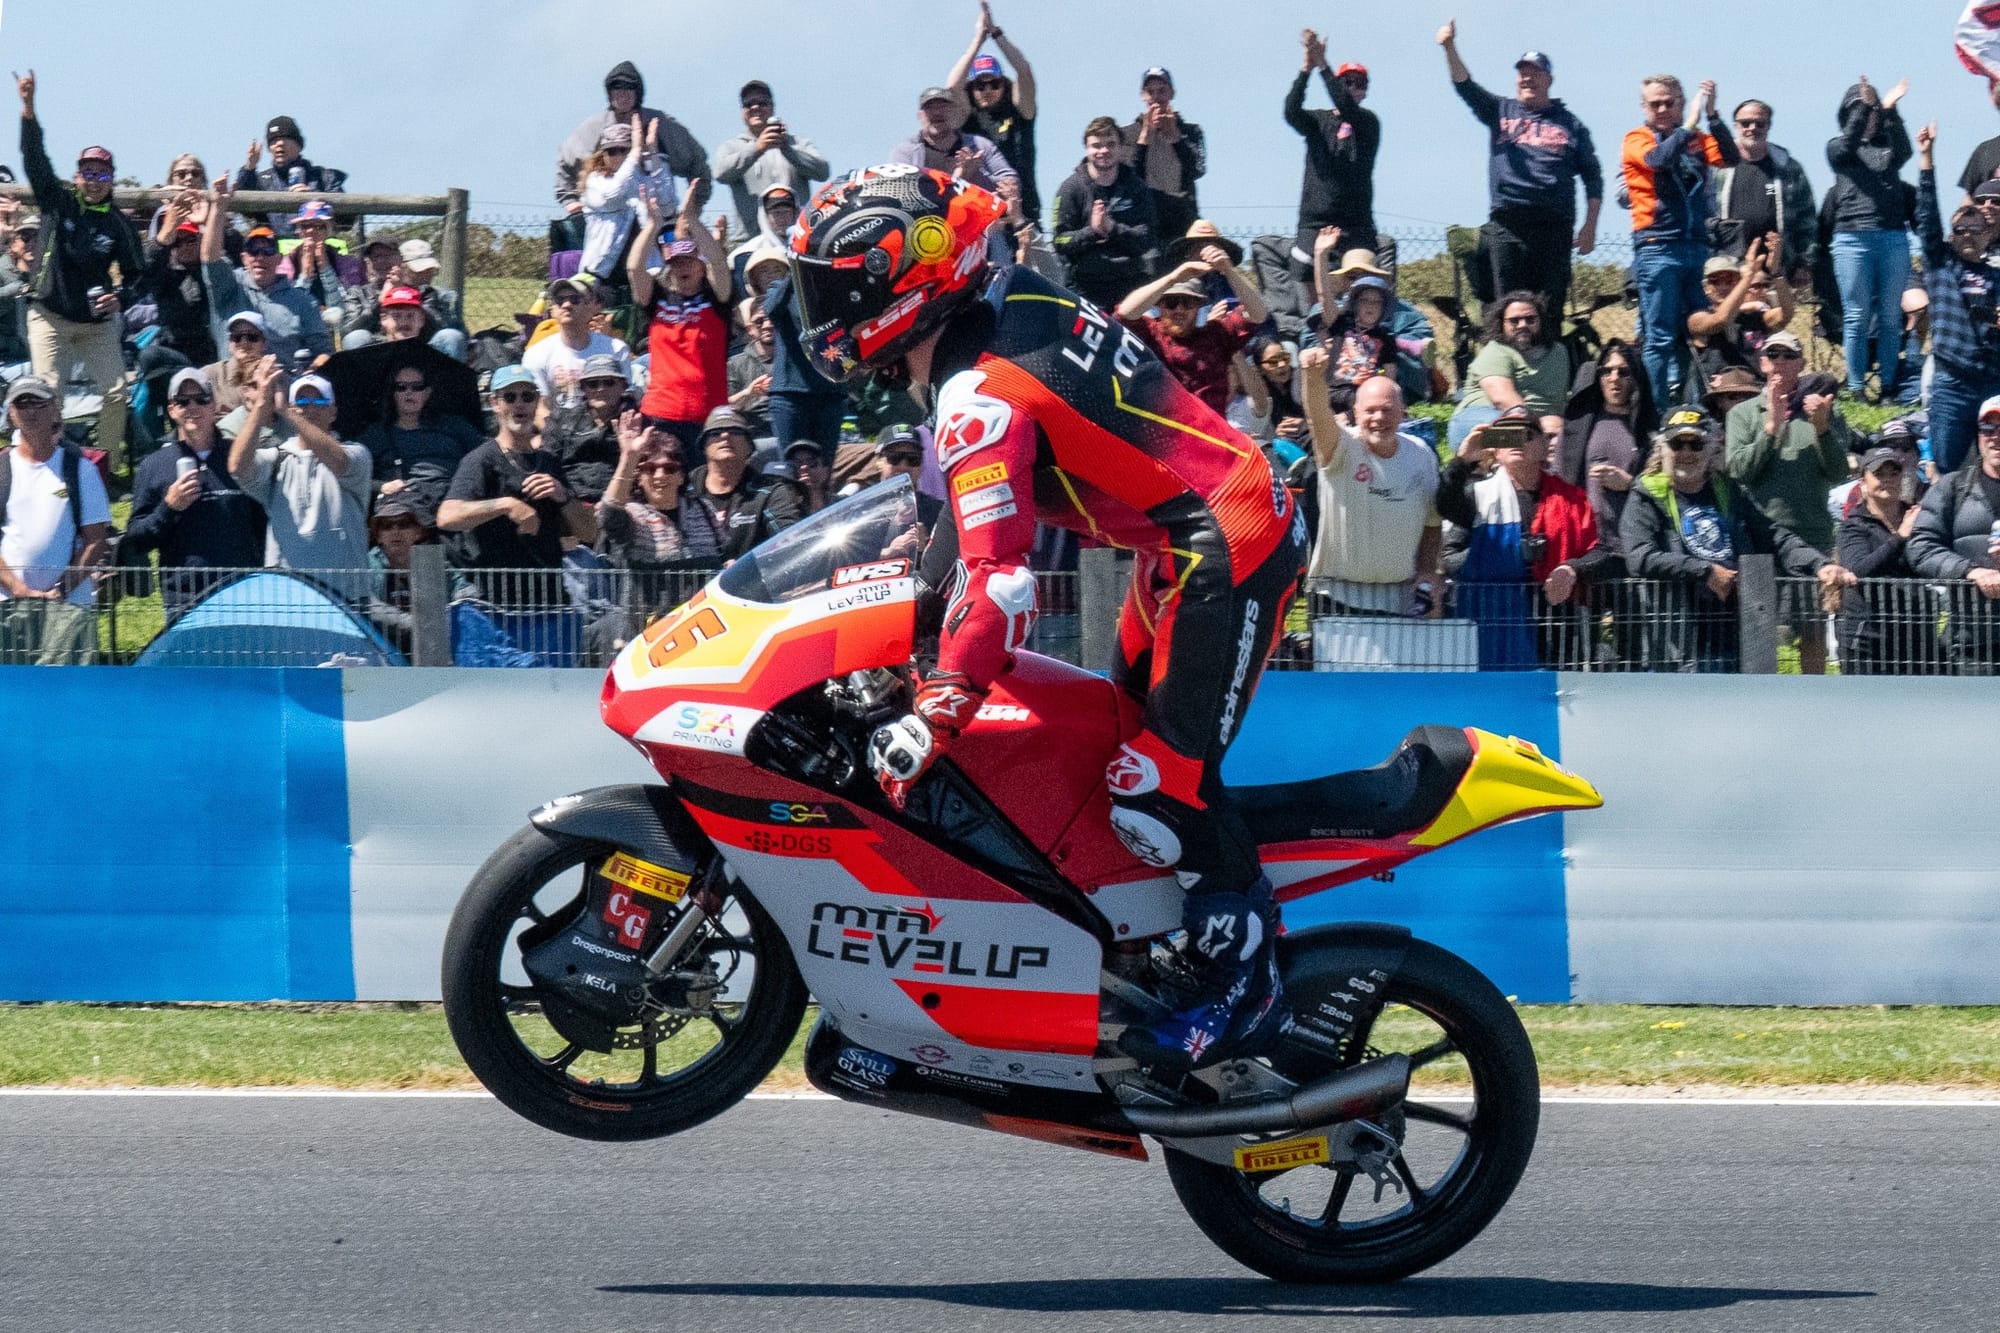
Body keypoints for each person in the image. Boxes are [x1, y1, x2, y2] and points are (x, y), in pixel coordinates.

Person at [790, 166, 1304, 1072]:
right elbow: (955, 526)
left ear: (899, 281)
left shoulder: (976, 394)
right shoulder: (1009, 299)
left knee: (1156, 781)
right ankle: (1154, 948)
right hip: (1179, 545)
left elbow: (997, 582)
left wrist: (942, 703)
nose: (819, 313)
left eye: (834, 289)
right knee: (1111, 745)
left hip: (1227, 545)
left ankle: (1245, 979)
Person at [1621, 407, 1847, 671]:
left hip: (1736, 638)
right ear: (1661, 449)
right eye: (1676, 443)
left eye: (1695, 444)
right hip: (1674, 643)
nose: (1686, 452)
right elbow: (1640, 557)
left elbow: (1776, 537)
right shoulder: (1646, 496)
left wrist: (1820, 565)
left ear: (1709, 449)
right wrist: (1705, 571)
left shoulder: (1728, 490)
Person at [15, 71, 142, 466]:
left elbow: (138, 275)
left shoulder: (118, 223)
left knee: (117, 391)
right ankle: (45, 463)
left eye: (102, 173)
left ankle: (102, 469)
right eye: (87, 171)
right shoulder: (59, 201)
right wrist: (29, 108)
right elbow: (35, 160)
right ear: (77, 176)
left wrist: (119, 297)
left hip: (95, 325)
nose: (94, 180)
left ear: (111, 179)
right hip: (49, 316)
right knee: (48, 394)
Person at [1436, 20, 1602, 321]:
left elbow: (1593, 178)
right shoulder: (1501, 111)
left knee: (1548, 311)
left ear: (1549, 79)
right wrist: (1449, 47)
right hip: (1508, 226)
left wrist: (1590, 226)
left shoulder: (1571, 124)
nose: (1527, 79)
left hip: (1554, 228)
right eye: (1523, 73)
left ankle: (1550, 365)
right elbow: (1465, 86)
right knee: (1508, 310)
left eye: (1535, 73)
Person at [1438, 406, 1607, 668]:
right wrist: (1461, 461)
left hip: (1557, 625)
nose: (1517, 441)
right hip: (1493, 621)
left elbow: (1600, 552)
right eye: (1506, 435)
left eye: (1527, 434)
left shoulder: (1573, 498)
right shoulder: (1478, 495)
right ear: (1494, 446)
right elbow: (1446, 518)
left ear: (1543, 445)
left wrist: (1571, 568)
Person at [1723, 331, 1852, 672]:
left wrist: (1822, 428)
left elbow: (1839, 473)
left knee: (1810, 630)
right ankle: (1763, 703)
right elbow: (1738, 470)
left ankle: (1812, 702)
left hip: (1811, 537)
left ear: (1801, 363)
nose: (1779, 362)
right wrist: (1770, 430)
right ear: (1762, 363)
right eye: (1773, 355)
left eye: (1787, 355)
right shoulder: (1743, 414)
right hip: (1759, 538)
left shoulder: (1822, 411)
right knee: (1762, 631)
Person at [1622, 74, 1740, 407]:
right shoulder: (1637, 138)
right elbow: (1657, 160)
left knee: (1696, 333)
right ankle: (1655, 414)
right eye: (1654, 104)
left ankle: (1691, 408)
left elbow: (1730, 158)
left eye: (1669, 102)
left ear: (1681, 102)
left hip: (1696, 245)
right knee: (1659, 337)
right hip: (1658, 245)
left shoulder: (1697, 140)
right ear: (1643, 107)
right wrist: (1688, 124)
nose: (1662, 109)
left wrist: (1714, 116)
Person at [1297, 351, 1441, 617]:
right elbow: (1318, 416)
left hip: (1399, 599)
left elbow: (1432, 524)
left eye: (1387, 410)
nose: (1378, 418)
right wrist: (1312, 376)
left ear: (1402, 411)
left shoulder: (1422, 455)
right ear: (1355, 413)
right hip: (1336, 598)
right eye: (1370, 410)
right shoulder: (1341, 447)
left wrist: (1427, 569)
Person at [124, 367, 269, 616]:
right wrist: (168, 507)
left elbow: (264, 526)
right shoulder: (154, 465)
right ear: (171, 410)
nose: (192, 407)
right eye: (182, 401)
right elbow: (136, 539)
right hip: (184, 598)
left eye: (201, 399)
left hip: (245, 593)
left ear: (215, 406)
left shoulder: (240, 456)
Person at [227, 364, 372, 599]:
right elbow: (237, 467)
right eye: (302, 403)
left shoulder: (357, 454)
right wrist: (262, 405)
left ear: (333, 412)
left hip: (348, 598)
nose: (310, 409)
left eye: (320, 402)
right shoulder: (276, 460)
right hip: (290, 600)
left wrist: (288, 412)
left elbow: (339, 462)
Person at [437, 366, 575, 606]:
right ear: (495, 403)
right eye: (510, 397)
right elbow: (447, 516)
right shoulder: (481, 459)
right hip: (497, 605)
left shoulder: (549, 461)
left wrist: (563, 496)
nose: (519, 404)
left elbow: (589, 531)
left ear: (536, 403)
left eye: (527, 396)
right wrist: (506, 505)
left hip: (550, 601)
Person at [0, 375, 109, 664]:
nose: (30, 410)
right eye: (22, 404)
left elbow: (96, 540)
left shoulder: (80, 469)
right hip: (9, 608)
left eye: (37, 402)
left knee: (69, 699)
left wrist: (60, 590)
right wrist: (20, 591)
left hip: (68, 608)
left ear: (54, 409)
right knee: (12, 700)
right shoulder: (1, 467)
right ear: (10, 413)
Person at [1915, 123, 2000, 476]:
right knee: (1947, 468)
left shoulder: (1997, 275)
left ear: (1987, 235)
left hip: (1994, 377)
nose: (1967, 236)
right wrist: (1926, 159)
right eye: (1960, 230)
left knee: (1995, 465)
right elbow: (1926, 216)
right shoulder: (1940, 264)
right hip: (1952, 380)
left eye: (1975, 230)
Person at [1825, 76, 1914, 401]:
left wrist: (1890, 109)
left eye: (1871, 111)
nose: (1867, 116)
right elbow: (1849, 143)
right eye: (1859, 111)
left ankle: (1889, 387)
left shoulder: (1887, 149)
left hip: (1892, 238)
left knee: (1891, 316)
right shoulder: (1838, 148)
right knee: (1856, 316)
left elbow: (1904, 151)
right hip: (1852, 240)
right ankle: (1858, 388)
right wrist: (1863, 105)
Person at [629, 192, 734, 468]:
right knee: (659, 482)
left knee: (702, 485)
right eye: (676, 263)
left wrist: (691, 219)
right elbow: (633, 267)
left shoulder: (717, 299)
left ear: (701, 267)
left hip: (707, 416)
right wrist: (652, 226)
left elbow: (719, 263)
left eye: (689, 261)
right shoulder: (657, 300)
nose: (682, 267)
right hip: (661, 413)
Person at [1116, 246, 1268, 417]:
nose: (1179, 310)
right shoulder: (1149, 333)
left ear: (1198, 307)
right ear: (1159, 306)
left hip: (1209, 436)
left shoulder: (1218, 335)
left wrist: (1229, 270)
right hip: (1161, 432)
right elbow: (1124, 313)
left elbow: (1258, 314)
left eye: (1188, 303)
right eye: (1172, 303)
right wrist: (1173, 278)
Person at [1907, 396, 2000, 673]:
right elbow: (1920, 547)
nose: (1995, 437)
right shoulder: (1952, 488)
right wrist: (1971, 571)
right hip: (1972, 641)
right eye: (1988, 429)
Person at [595, 410, 705, 642]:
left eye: (669, 468)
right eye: (649, 469)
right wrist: (629, 457)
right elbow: (608, 516)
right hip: (644, 633)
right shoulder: (634, 514)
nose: (659, 475)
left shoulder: (703, 511)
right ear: (639, 478)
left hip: (699, 630)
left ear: (682, 476)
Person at [1287, 29, 1386, 283]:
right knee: (1306, 284)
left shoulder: (1368, 122)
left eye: (1359, 83)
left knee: (1363, 283)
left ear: (1365, 91)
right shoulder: (1317, 120)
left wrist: (1323, 65)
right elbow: (1290, 112)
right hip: (1314, 221)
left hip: (1356, 223)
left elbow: (1347, 107)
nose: (1353, 87)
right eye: (1347, 81)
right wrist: (1306, 69)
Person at [555, 63, 709, 220]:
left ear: (638, 92)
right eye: (616, 87)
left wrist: (694, 206)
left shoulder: (660, 125)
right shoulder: (594, 129)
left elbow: (698, 163)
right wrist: (571, 202)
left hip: (655, 221)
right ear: (609, 93)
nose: (622, 93)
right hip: (608, 223)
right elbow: (565, 164)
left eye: (629, 87)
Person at [201, 180, 332, 366]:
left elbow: (324, 352)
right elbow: (209, 257)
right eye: (254, 251)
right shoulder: (229, 287)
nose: (260, 257)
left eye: (268, 251)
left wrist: (308, 376)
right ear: (244, 258)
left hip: (284, 384)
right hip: (235, 385)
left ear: (279, 258)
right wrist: (218, 207)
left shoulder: (302, 300)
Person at [1557, 339, 1657, 562]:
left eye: (1623, 372)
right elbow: (1559, 481)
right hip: (1586, 543)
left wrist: (1630, 484)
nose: (1614, 379)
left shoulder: (1648, 431)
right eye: (1606, 371)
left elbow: (1666, 489)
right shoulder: (1578, 427)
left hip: (1633, 542)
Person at [1835, 446, 1928, 674]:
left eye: (1893, 473)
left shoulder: (1919, 518)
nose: (1888, 480)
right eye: (1879, 474)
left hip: (1915, 637)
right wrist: (1900, 537)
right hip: (1867, 640)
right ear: (1863, 482)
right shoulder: (1852, 527)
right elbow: (1858, 570)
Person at [945, 3, 1040, 222]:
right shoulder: (967, 117)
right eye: (980, 85)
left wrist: (996, 33)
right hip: (977, 211)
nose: (988, 90)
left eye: (994, 84)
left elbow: (1024, 72)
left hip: (1022, 208)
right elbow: (951, 88)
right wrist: (978, 39)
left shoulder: (1019, 112)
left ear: (1003, 85)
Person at [1052, 116, 1157, 308]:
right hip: (1084, 292)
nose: (1103, 151)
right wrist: (1092, 232)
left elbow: (1147, 238)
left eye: (1110, 144)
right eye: (1096, 145)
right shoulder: (1070, 188)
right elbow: (1059, 241)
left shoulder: (1137, 188)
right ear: (1086, 148)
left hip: (1131, 289)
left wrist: (1112, 228)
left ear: (1120, 147)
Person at [358, 362, 482, 524]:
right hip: (402, 512)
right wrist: (381, 486)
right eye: (401, 387)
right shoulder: (376, 433)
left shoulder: (453, 426)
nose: (409, 392)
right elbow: (351, 473)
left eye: (417, 387)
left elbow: (485, 454)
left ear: (427, 392)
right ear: (393, 393)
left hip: (451, 502)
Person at [1448, 290, 1571, 447]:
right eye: (1514, 321)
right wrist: (1537, 426)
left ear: (1541, 321)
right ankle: (1480, 463)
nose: (1522, 325)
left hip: (1541, 423)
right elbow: (1503, 399)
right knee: (1512, 433)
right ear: (1502, 324)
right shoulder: (1496, 351)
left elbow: (1559, 402)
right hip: (1482, 417)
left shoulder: (1558, 352)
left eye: (1530, 319)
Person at [681, 405, 803, 562]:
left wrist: (746, 568)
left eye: (735, 431)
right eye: (715, 433)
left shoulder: (770, 492)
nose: (725, 436)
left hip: (748, 583)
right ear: (704, 447)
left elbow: (789, 541)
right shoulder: (683, 487)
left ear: (749, 447)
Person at [1714, 100, 1817, 283]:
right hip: (1728, 270)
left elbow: (1806, 219)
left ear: (1768, 126)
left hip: (1779, 268)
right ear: (1736, 126)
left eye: (1760, 123)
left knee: (1778, 313)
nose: (1752, 128)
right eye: (1745, 123)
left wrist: (1804, 262)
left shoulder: (1789, 168)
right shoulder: (1717, 167)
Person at [712, 80, 829, 237]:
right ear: (742, 111)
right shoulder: (732, 147)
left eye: (762, 103)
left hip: (796, 239)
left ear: (772, 107)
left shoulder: (798, 143)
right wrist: (757, 148)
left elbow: (823, 172)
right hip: (750, 242)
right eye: (748, 104)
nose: (755, 107)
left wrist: (787, 149)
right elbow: (720, 173)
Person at [542, 353, 633, 541]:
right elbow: (548, 462)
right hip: (569, 504)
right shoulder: (561, 420)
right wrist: (569, 500)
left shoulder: (637, 422)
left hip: (622, 504)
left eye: (608, 382)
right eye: (593, 384)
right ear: (583, 388)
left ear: (623, 385)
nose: (600, 389)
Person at [1685, 239, 1794, 395]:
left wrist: (1776, 273)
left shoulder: (1754, 316)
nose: (1723, 286)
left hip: (1758, 391)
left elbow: (1786, 314)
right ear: (1706, 288)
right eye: (1715, 281)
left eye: (1729, 280)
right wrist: (1747, 279)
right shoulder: (1697, 318)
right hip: (1720, 394)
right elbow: (1721, 320)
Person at [578, 117, 673, 286]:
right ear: (603, 155)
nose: (618, 156)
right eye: (611, 151)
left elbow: (668, 205)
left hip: (648, 272)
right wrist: (635, 152)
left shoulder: (642, 180)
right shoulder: (595, 181)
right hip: (602, 275)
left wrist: (652, 152)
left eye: (624, 150)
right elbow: (612, 196)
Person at [521, 273, 633, 413]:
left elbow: (626, 399)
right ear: (553, 310)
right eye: (560, 300)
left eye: (575, 299)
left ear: (590, 307)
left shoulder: (616, 348)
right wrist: (559, 434)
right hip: (558, 430)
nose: (567, 305)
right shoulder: (536, 354)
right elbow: (538, 407)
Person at [1122, 68, 1206, 243]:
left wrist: (1176, 137)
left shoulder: (1191, 131)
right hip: (1145, 215)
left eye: (1161, 91)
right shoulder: (1127, 134)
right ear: (1143, 96)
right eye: (1150, 92)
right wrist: (1144, 136)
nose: (1156, 97)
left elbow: (1197, 169)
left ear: (1171, 93)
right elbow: (1128, 175)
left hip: (1183, 215)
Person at [891, 87, 1018, 197]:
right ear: (920, 116)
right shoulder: (906, 152)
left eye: (943, 107)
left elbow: (1011, 186)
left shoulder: (980, 145)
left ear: (954, 113)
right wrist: (960, 177)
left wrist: (977, 175)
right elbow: (897, 192)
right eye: (929, 108)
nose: (937, 113)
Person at [235, 115, 346, 234]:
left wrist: (314, 201)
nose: (280, 143)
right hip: (273, 251)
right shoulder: (262, 180)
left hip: (316, 248)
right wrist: (250, 167)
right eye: (273, 140)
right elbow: (244, 207)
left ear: (299, 145)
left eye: (286, 138)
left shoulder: (323, 177)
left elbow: (347, 219)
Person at [726, 301, 775, 442]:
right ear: (750, 330)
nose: (767, 325)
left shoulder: (794, 359)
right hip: (755, 434)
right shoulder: (735, 364)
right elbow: (724, 406)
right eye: (759, 321)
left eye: (773, 319)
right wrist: (748, 393)